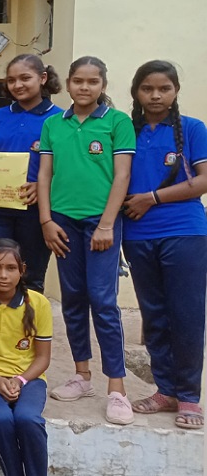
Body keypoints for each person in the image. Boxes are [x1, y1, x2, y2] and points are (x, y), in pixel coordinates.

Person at [39, 56, 135, 424]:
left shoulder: (117, 122)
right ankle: (82, 375)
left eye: (93, 81)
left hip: (101, 221)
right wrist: (46, 220)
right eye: (78, 80)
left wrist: (107, 224)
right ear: (67, 83)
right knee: (73, 298)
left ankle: (117, 389)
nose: (84, 87)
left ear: (103, 86)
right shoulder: (54, 124)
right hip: (62, 221)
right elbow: (44, 175)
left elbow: (122, 176)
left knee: (103, 300)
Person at [124, 60, 207, 429]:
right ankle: (165, 390)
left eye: (164, 89)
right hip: (137, 235)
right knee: (154, 315)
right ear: (136, 92)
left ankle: (188, 396)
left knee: (186, 314)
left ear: (175, 91)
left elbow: (203, 180)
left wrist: (152, 198)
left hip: (184, 232)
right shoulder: (126, 131)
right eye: (147, 89)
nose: (155, 96)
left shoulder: (192, 128)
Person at [0, 54, 63, 292]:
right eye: (12, 80)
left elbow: (67, 167)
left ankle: (30, 317)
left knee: (30, 276)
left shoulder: (60, 118)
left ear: (42, 78)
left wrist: (42, 186)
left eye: (25, 78)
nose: (18, 85)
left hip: (36, 210)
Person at [0, 239, 52, 476]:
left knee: (28, 419)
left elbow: (43, 358)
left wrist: (20, 380)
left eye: (11, 268)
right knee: (0, 419)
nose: (3, 275)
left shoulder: (39, 303)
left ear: (22, 270)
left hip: (29, 378)